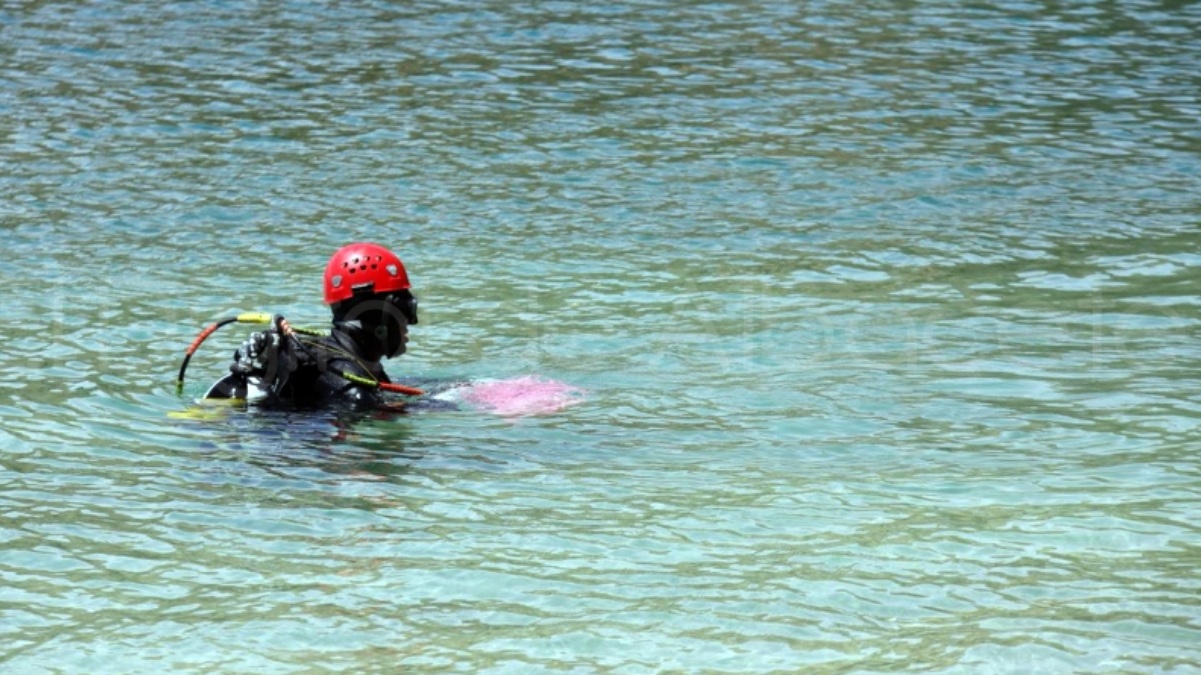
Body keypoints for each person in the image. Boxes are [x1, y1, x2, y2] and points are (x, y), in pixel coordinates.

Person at [204, 242, 420, 409]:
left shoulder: (341, 357)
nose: (412, 321)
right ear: (377, 315)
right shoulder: (352, 391)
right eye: (405, 310)